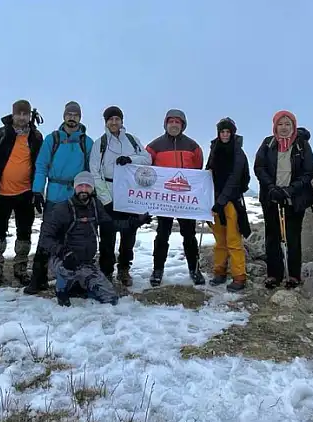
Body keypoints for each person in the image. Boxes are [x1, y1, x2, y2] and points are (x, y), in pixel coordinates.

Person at [24, 101, 94, 295]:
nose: (72, 118)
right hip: (54, 193)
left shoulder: (87, 142)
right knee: (48, 234)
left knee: (74, 236)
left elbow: (90, 170)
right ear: (64, 116)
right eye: (69, 114)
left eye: (76, 115)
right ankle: (38, 278)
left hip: (76, 196)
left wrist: (90, 192)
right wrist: (38, 190)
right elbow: (41, 165)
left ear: (80, 118)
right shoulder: (52, 139)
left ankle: (73, 280)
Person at [0, 100, 44, 289]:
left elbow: (40, 165)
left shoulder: (36, 136)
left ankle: (21, 270)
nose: (22, 117)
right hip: (1, 192)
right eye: (19, 114)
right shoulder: (1, 133)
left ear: (30, 116)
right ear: (13, 114)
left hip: (25, 193)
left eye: (26, 114)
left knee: (24, 233)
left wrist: (37, 190)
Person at [89, 105, 151, 286]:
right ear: (106, 122)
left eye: (117, 119)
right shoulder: (99, 144)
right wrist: (106, 199)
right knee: (107, 236)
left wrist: (131, 159)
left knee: (129, 234)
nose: (114, 122)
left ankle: (124, 269)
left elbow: (147, 159)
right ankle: (106, 271)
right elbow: (95, 172)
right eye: (110, 119)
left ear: (122, 121)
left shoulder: (132, 140)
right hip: (108, 191)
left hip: (130, 194)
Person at [36, 171, 119, 306]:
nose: (84, 189)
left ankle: (82, 285)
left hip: (85, 263)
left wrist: (135, 222)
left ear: (92, 188)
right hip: (63, 260)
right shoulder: (62, 209)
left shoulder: (96, 206)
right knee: (66, 274)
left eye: (88, 186)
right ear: (75, 187)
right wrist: (63, 252)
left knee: (111, 298)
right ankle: (61, 288)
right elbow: (45, 238)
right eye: (80, 186)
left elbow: (111, 225)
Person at [254, 110, 313, 289]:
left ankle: (294, 275)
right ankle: (274, 274)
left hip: (294, 198)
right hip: (271, 197)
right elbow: (259, 167)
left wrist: (290, 190)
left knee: (292, 237)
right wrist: (271, 187)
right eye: (280, 124)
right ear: (275, 126)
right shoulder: (268, 143)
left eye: (287, 124)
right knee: (272, 236)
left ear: (293, 126)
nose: (283, 128)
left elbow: (309, 171)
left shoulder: (301, 144)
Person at [144, 109, 205, 286]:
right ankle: (157, 270)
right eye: (171, 122)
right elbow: (146, 168)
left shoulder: (193, 147)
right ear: (166, 124)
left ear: (183, 125)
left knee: (189, 235)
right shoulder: (154, 146)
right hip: (164, 200)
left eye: (178, 122)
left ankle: (194, 269)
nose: (174, 125)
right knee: (162, 234)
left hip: (185, 200)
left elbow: (197, 170)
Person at [205, 118, 251, 291]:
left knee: (233, 240)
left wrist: (222, 200)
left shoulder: (238, 153)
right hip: (215, 202)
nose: (225, 135)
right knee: (219, 241)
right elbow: (208, 172)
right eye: (222, 132)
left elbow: (236, 179)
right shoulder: (214, 149)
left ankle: (239, 277)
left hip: (230, 202)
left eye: (227, 132)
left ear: (232, 133)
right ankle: (219, 272)